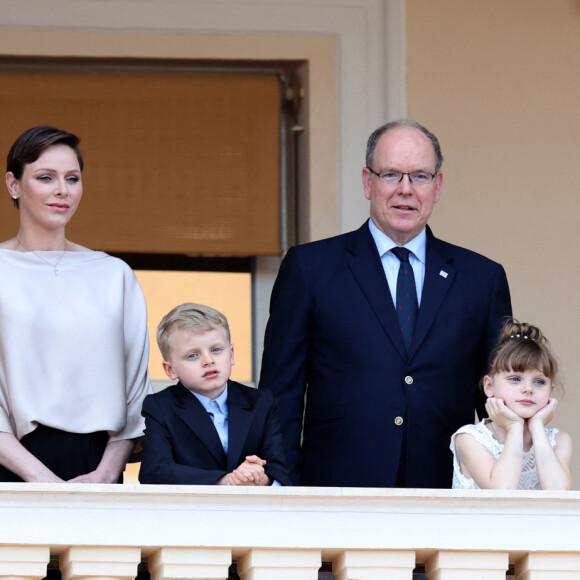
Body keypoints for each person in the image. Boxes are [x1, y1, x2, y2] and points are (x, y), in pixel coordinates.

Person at [259, 118, 512, 488]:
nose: (405, 190)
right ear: (368, 182)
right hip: (336, 492)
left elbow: (499, 397)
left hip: (446, 494)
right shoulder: (311, 268)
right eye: (391, 175)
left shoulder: (482, 279)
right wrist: (281, 490)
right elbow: (281, 394)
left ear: (437, 185)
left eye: (420, 177)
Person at [0, 125, 151, 483]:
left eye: (72, 178)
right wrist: (43, 481)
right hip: (10, 466)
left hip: (98, 468)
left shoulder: (114, 275)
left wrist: (105, 474)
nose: (61, 190)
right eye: (45, 177)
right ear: (13, 185)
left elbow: (136, 394)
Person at [139, 303, 290, 486]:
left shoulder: (261, 402)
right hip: (191, 511)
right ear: (170, 369)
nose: (208, 361)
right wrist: (225, 481)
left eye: (216, 350)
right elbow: (155, 472)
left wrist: (259, 478)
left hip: (250, 511)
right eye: (193, 355)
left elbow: (280, 470)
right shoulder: (160, 407)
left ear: (232, 354)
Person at [450, 319, 572, 490]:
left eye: (539, 382)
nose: (528, 389)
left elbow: (558, 495)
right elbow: (502, 492)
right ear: (489, 386)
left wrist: (537, 426)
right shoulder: (469, 439)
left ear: (550, 391)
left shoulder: (559, 441)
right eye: (515, 379)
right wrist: (514, 426)